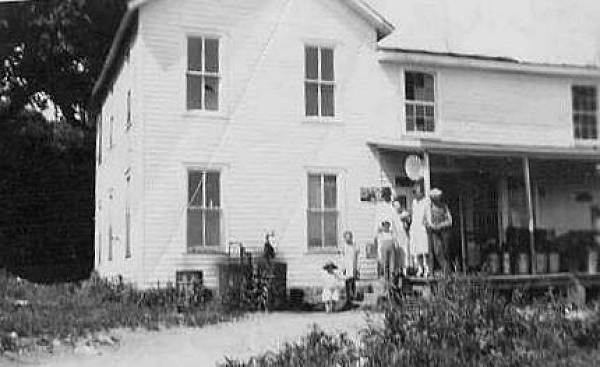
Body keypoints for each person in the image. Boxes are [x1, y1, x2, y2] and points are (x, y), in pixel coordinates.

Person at [425, 188, 453, 276]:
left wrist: (441, 225)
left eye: (438, 197)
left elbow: (450, 220)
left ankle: (447, 272)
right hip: (434, 232)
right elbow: (429, 221)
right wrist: (433, 226)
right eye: (435, 197)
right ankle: (444, 271)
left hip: (444, 231)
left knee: (446, 251)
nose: (437, 198)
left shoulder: (444, 206)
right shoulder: (429, 207)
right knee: (437, 252)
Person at [410, 180, 431, 277]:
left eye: (416, 191)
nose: (415, 193)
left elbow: (428, 215)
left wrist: (428, 223)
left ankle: (427, 268)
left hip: (422, 227)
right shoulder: (414, 202)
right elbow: (413, 215)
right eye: (414, 191)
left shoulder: (426, 201)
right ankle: (420, 268)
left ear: (422, 192)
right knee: (416, 250)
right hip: (415, 227)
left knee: (424, 250)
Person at [375, 220, 397, 287]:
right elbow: (379, 243)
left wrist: (395, 246)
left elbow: (395, 241)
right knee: (385, 264)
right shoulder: (381, 234)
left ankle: (392, 279)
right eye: (384, 225)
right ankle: (386, 279)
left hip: (391, 249)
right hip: (384, 249)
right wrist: (379, 255)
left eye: (387, 225)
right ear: (383, 227)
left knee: (392, 265)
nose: (386, 227)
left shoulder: (391, 233)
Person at [342, 230, 359, 306]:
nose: (348, 239)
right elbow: (342, 257)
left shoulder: (354, 245)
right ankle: (348, 299)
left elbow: (356, 256)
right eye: (346, 237)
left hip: (353, 265)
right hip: (346, 266)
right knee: (347, 282)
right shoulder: (343, 246)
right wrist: (343, 267)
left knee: (353, 282)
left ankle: (353, 298)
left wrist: (357, 267)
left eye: (349, 237)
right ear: (344, 238)